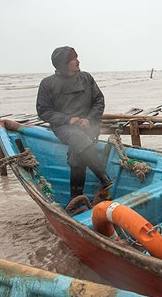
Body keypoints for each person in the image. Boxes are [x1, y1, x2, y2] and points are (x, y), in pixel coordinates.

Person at [36, 46, 113, 201]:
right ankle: (104, 179)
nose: (78, 61)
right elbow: (43, 111)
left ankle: (76, 198)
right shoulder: (47, 83)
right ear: (63, 64)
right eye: (74, 59)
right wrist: (68, 120)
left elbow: (99, 101)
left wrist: (89, 120)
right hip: (64, 127)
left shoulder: (87, 78)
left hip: (88, 125)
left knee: (76, 153)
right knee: (79, 139)